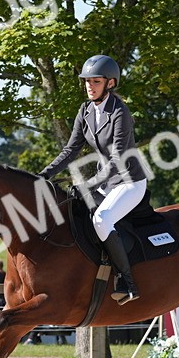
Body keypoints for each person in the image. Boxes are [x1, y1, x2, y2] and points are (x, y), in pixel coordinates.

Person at [38, 54, 148, 303]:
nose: (89, 86)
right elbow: (71, 150)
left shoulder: (120, 113)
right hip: (106, 182)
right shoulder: (86, 110)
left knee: (101, 219)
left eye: (95, 81)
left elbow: (117, 159)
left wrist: (89, 185)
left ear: (110, 83)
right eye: (87, 81)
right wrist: (44, 174)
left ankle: (128, 282)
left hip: (129, 182)